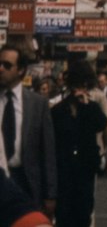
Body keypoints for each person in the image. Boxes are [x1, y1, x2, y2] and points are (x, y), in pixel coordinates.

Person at [50, 60, 107, 227]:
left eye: (85, 85)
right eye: (78, 84)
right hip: (64, 169)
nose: (82, 89)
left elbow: (102, 124)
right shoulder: (58, 110)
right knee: (64, 215)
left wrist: (86, 106)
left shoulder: (91, 108)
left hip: (85, 167)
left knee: (83, 213)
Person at [0, 44, 57, 218]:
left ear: (21, 70)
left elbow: (48, 152)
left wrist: (50, 194)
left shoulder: (37, 104)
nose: (0, 69)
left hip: (25, 181)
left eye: (7, 65)